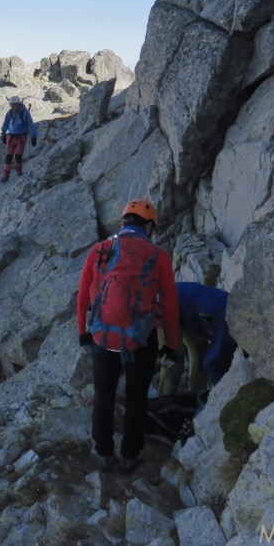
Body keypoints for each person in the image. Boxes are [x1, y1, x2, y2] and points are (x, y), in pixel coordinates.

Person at [77, 200, 180, 475]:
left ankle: (103, 452)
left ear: (124, 223)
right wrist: (172, 345)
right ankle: (131, 455)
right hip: (141, 339)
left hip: (102, 335)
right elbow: (170, 305)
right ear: (148, 226)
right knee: (136, 397)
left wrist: (82, 332)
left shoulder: (101, 249)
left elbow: (84, 294)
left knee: (104, 394)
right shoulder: (158, 256)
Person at [159, 282, 238, 394]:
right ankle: (192, 396)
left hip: (201, 313)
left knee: (208, 360)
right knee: (196, 357)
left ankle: (211, 396)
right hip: (188, 311)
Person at [0, 96, 38, 182]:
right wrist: (3, 134)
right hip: (11, 137)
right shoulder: (10, 112)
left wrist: (33, 136)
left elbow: (31, 124)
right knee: (8, 156)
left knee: (17, 156)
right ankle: (5, 175)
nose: (11, 107)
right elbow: (5, 123)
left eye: (13, 105)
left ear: (18, 104)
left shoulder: (25, 113)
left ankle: (19, 170)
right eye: (11, 105)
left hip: (21, 137)